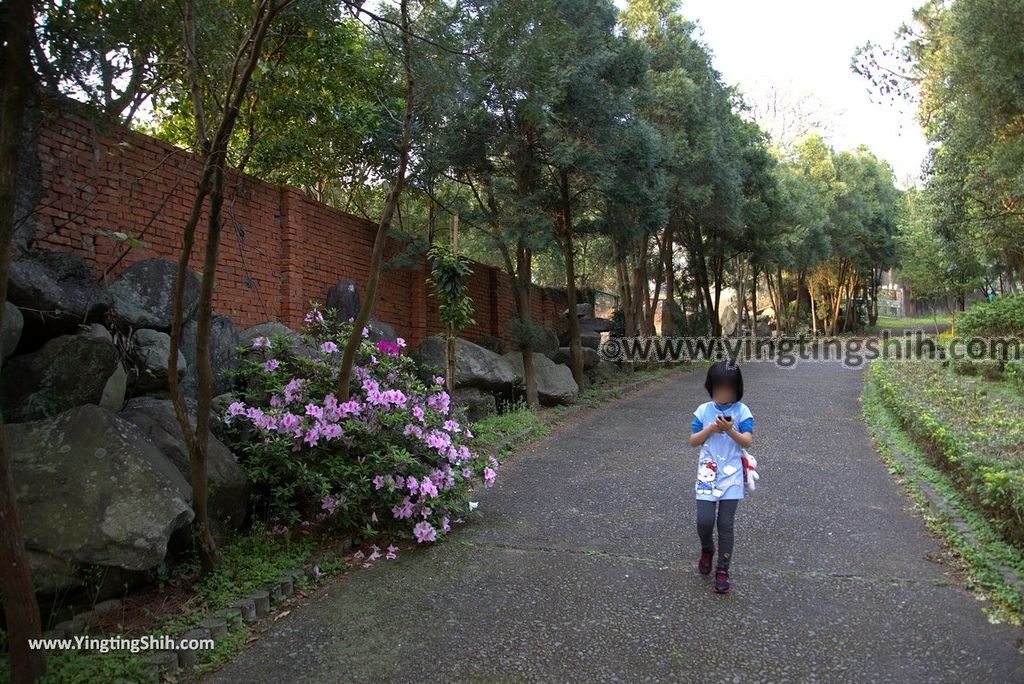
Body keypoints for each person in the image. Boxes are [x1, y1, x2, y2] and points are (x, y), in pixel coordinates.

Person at [689, 360, 753, 594]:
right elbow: (693, 441)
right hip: (707, 473)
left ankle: (723, 570)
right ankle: (707, 549)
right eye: (718, 388)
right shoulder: (703, 411)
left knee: (725, 524)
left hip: (732, 475)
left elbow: (747, 441)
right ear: (711, 387)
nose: (723, 393)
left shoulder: (742, 411)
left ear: (737, 389)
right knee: (704, 521)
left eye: (728, 389)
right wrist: (710, 430)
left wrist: (730, 431)